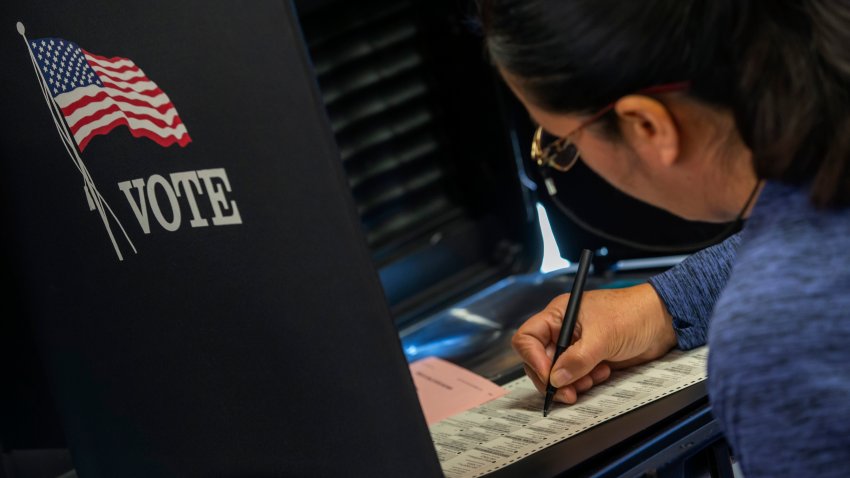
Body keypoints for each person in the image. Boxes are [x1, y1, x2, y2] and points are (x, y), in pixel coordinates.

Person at [476, 0, 850, 476]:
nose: (562, 155)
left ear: (648, 126)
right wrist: (667, 305)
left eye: (560, 142)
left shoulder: (779, 342)